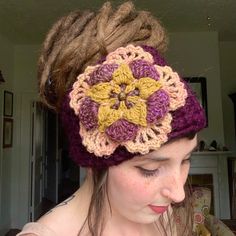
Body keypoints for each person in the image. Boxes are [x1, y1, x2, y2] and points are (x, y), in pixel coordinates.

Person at [18, 1, 207, 235]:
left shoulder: (159, 215)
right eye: (150, 169)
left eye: (186, 160)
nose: (179, 194)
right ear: (95, 163)